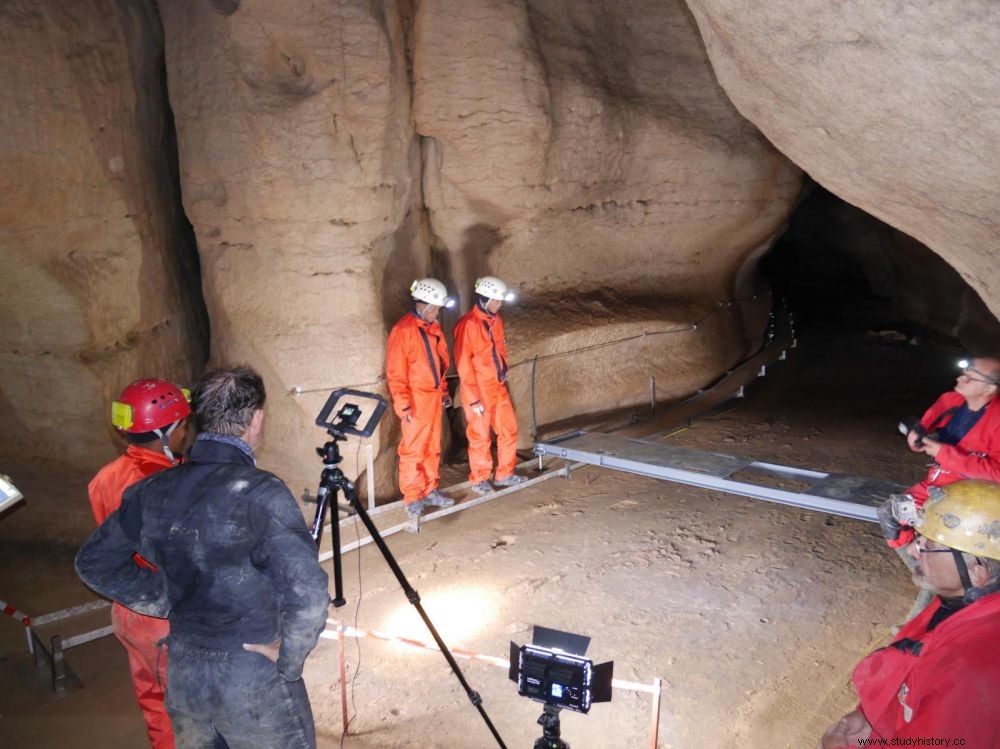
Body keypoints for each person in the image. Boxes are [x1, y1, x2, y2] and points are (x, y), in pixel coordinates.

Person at [76, 366, 330, 749]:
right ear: (256, 419)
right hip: (250, 673)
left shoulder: (152, 488)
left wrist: (165, 598)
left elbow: (93, 562)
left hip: (184, 671)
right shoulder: (261, 491)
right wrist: (290, 657)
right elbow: (308, 594)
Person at [820, 480, 1000, 748]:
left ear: (977, 572)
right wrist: (868, 718)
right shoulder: (959, 604)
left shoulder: (972, 669)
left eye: (928, 545)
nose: (914, 550)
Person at [88, 378, 191, 749]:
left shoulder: (105, 476)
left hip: (129, 610)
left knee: (154, 698)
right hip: (165, 612)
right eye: (183, 424)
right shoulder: (167, 485)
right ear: (169, 430)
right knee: (188, 707)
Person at [878, 356, 1000, 618]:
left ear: (990, 389)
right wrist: (916, 437)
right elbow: (925, 429)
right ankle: (928, 578)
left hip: (973, 498)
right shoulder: (951, 401)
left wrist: (946, 453)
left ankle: (937, 597)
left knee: (945, 549)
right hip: (937, 484)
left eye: (970, 377)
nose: (961, 378)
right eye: (963, 372)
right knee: (892, 514)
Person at [386, 278, 457, 518]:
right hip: (415, 401)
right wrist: (403, 405)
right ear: (422, 304)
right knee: (414, 450)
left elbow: (438, 366)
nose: (437, 313)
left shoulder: (432, 328)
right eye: (435, 308)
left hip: (433, 399)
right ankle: (413, 496)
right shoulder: (403, 331)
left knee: (432, 448)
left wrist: (444, 392)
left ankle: (429, 489)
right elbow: (396, 373)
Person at [453, 276, 527, 494]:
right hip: (477, 389)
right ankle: (480, 478)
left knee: (509, 428)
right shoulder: (468, 325)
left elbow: (500, 351)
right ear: (484, 299)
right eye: (496, 300)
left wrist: (503, 374)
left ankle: (505, 473)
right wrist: (474, 397)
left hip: (496, 386)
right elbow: (463, 364)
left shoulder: (496, 320)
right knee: (480, 435)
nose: (500, 304)